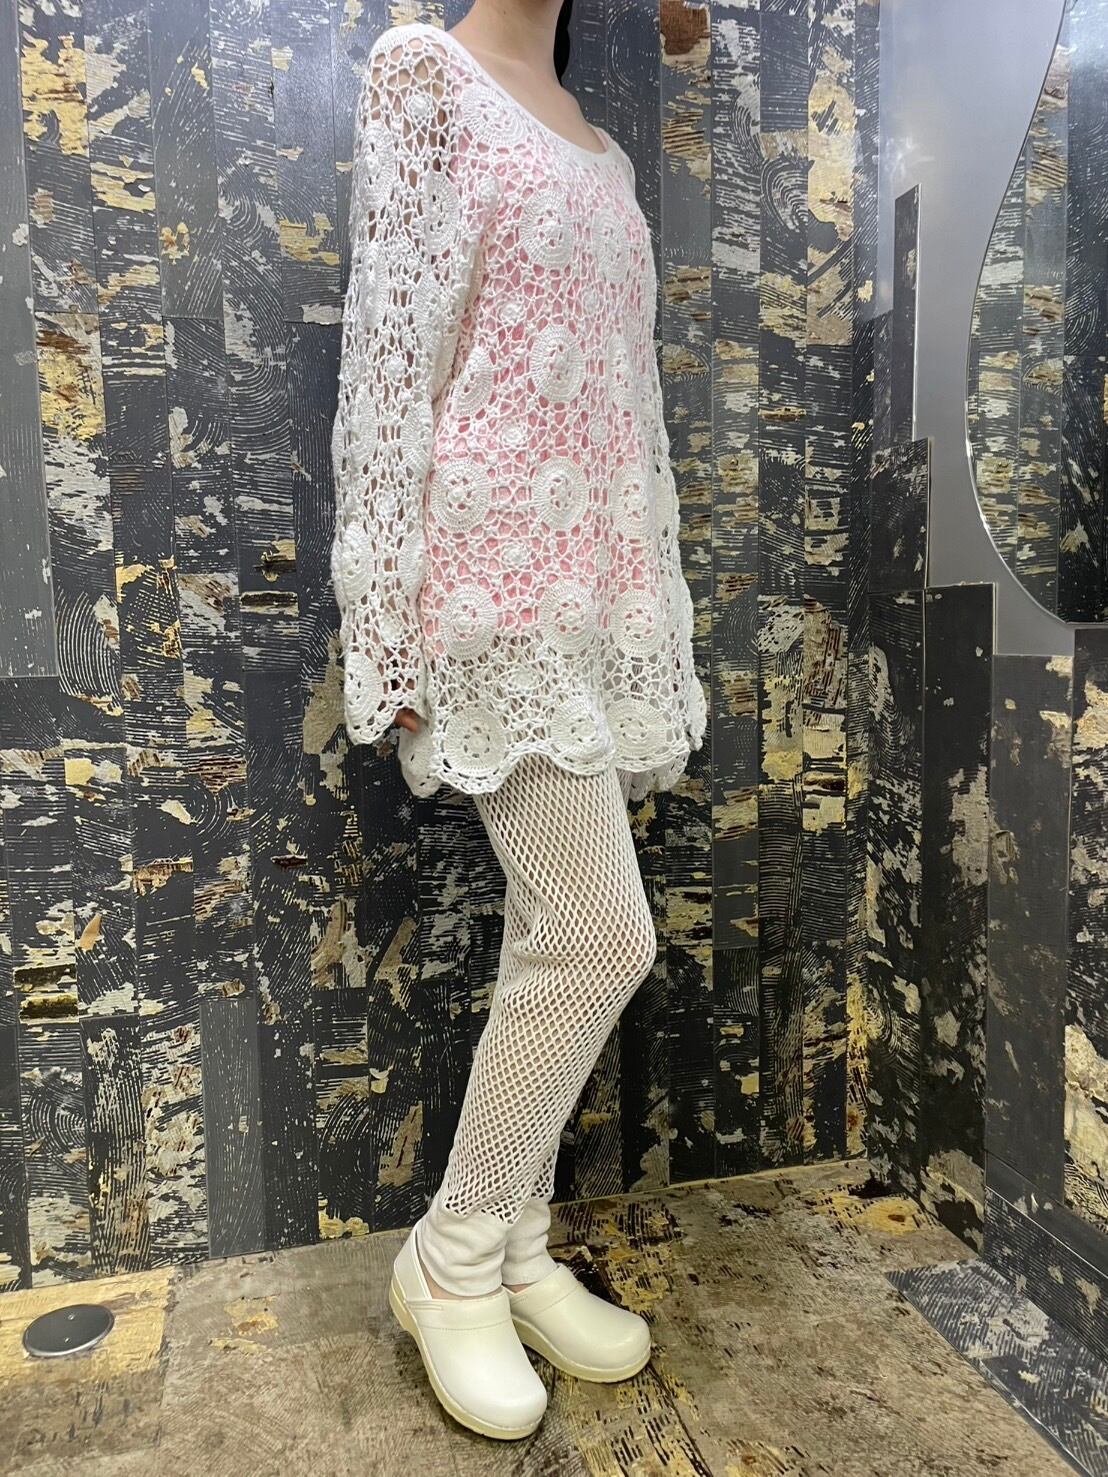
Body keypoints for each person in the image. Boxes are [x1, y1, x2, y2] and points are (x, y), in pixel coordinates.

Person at [329, 0, 706, 1442]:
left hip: (594, 598)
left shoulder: (602, 150)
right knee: (603, 933)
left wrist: (649, 611)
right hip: (488, 589)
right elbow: (389, 370)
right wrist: (385, 622)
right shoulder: (423, 76)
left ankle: (520, 1247)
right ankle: (450, 1258)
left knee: (562, 935)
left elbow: (627, 411)